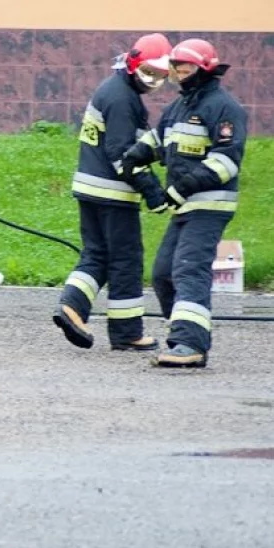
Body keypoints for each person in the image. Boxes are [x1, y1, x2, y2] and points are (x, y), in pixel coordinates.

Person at [121, 39, 248, 368]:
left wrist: (179, 189)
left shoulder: (224, 107)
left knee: (189, 269)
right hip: (185, 207)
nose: (179, 73)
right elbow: (158, 139)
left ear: (204, 68)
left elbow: (226, 163)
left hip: (209, 205)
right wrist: (136, 157)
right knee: (163, 275)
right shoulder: (179, 107)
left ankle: (190, 344)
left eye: (186, 67)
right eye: (176, 67)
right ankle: (183, 331)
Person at [53, 33, 173, 352]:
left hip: (90, 189)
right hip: (113, 194)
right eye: (150, 72)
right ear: (133, 64)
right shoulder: (123, 98)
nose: (154, 81)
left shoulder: (114, 89)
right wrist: (152, 191)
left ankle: (71, 307)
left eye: (161, 75)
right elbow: (121, 152)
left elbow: (132, 142)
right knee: (125, 261)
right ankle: (127, 332)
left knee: (97, 255)